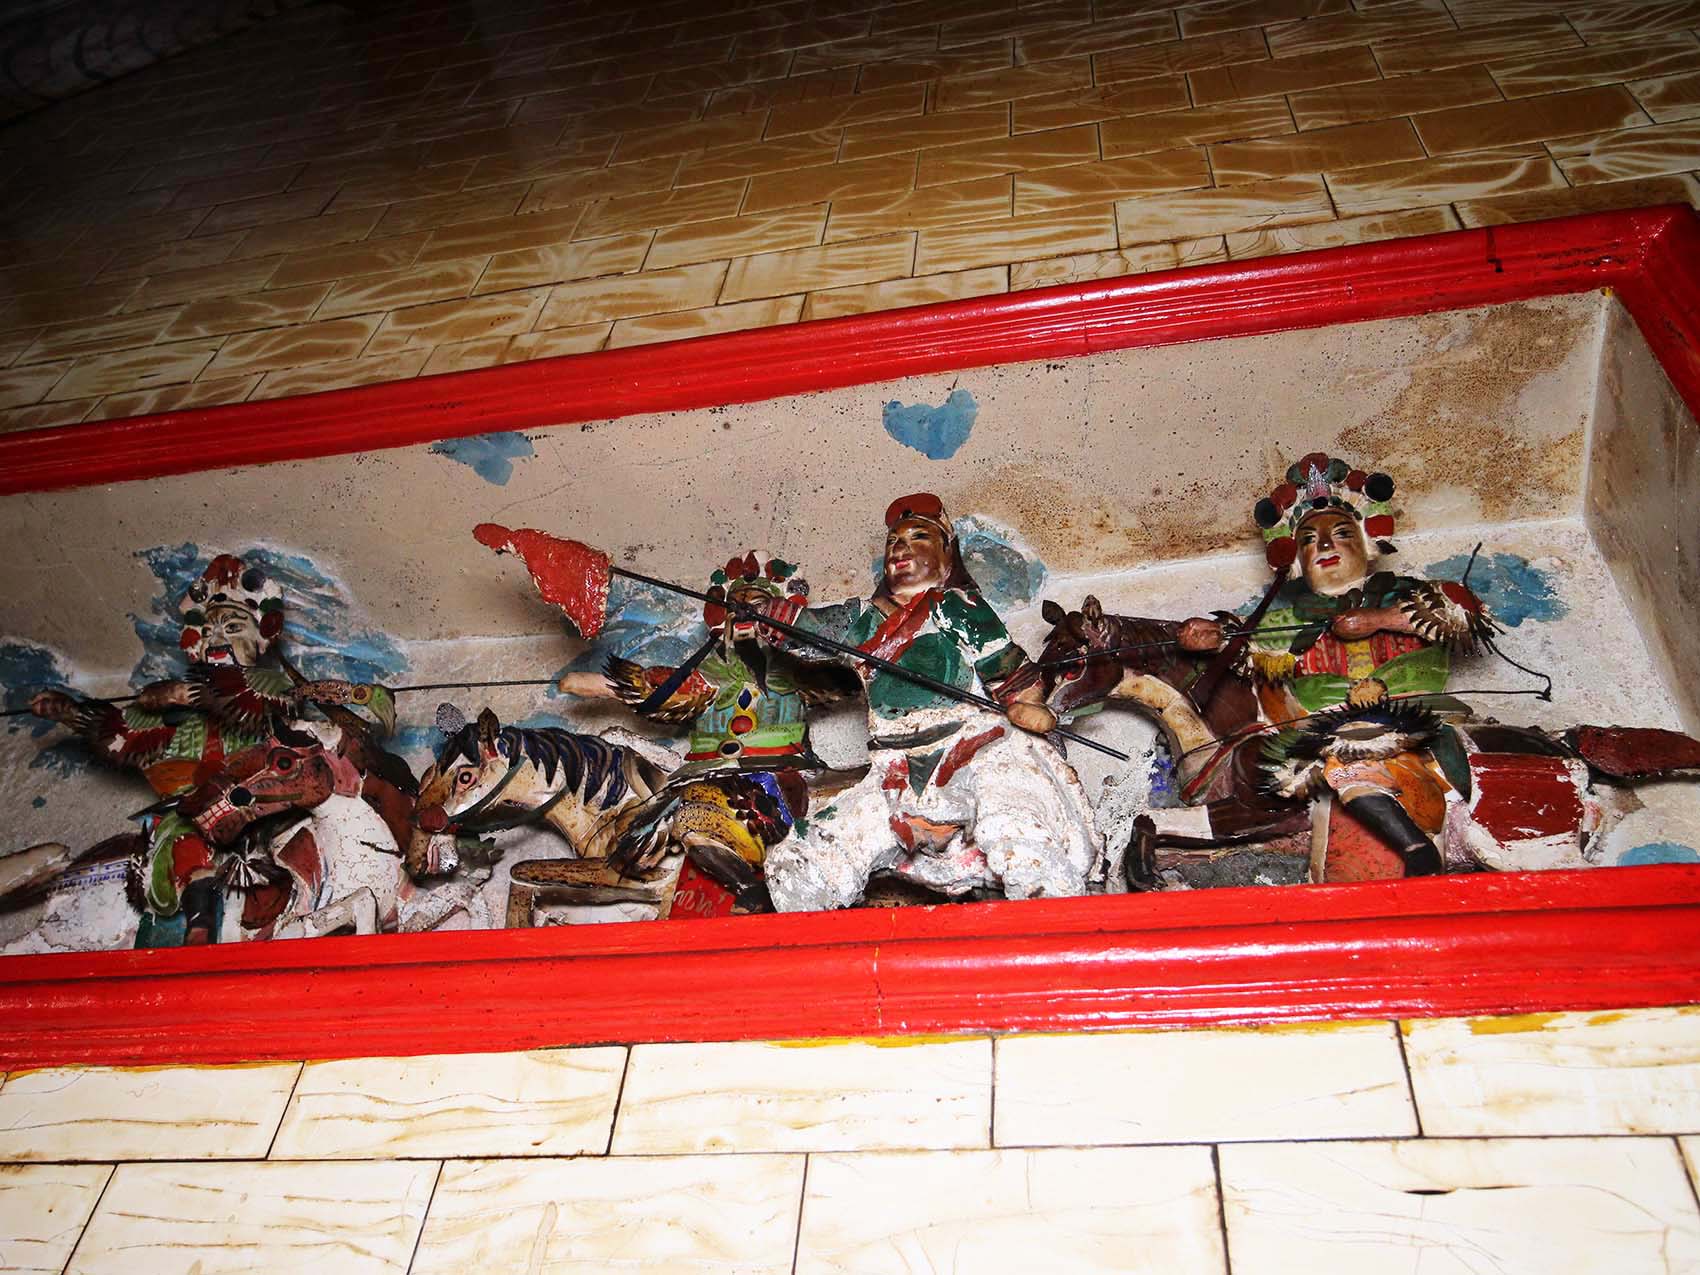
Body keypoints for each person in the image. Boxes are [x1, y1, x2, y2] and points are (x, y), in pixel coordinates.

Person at [756, 493, 1101, 911]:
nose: (900, 549)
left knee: (1014, 826)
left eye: (917, 538)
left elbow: (1011, 673)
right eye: (893, 542)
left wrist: (1028, 704)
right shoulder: (861, 618)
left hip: (972, 748)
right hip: (894, 767)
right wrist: (767, 612)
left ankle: (1047, 913)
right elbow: (811, 629)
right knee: (811, 851)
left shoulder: (957, 606)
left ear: (945, 553)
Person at [30, 553, 394, 942]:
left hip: (264, 805)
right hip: (199, 808)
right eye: (210, 629)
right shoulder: (177, 719)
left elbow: (256, 700)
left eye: (233, 627)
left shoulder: (265, 688)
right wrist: (72, 712)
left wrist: (190, 693)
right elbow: (121, 734)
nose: (218, 637)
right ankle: (199, 929)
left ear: (260, 639)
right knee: (185, 838)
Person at [1167, 453, 1494, 876]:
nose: (1323, 547)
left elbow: (1465, 613)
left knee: (1351, 760)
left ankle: (1418, 851)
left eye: (1340, 534)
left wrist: (1379, 619)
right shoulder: (1285, 621)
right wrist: (1211, 638)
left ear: (1367, 541)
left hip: (1413, 716)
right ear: (1296, 559)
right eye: (1309, 540)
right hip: (1322, 732)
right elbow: (1245, 647)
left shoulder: (1409, 593)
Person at [557, 551, 856, 906]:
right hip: (703, 772)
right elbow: (665, 688)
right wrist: (605, 685)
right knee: (638, 824)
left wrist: (815, 638)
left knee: (699, 815)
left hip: (771, 771)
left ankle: (753, 892)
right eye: (736, 606)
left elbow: (842, 673)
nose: (743, 613)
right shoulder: (710, 673)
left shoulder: (795, 670)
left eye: (757, 605)